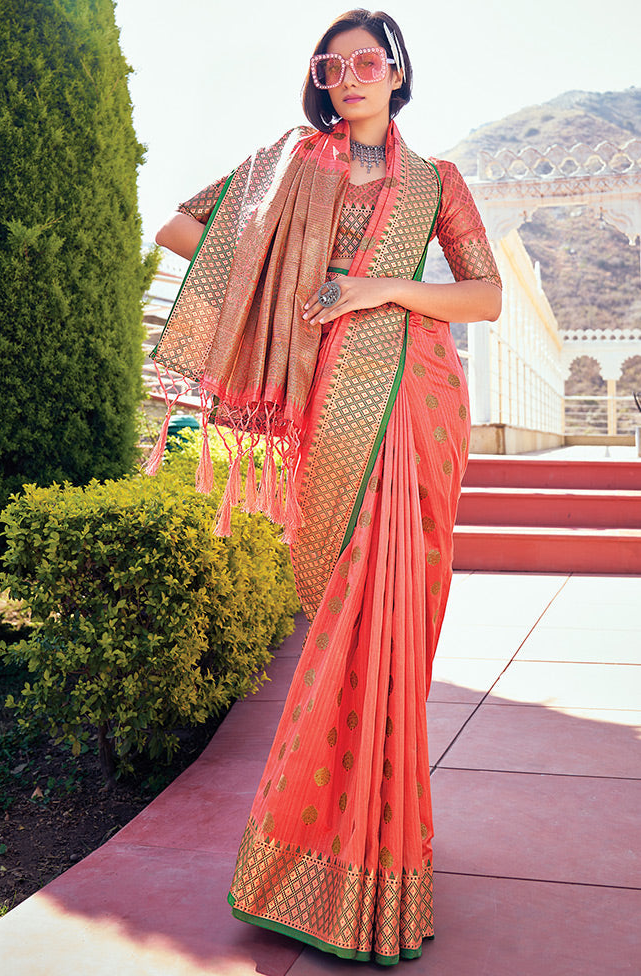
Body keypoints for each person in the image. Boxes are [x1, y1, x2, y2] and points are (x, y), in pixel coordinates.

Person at [152, 8, 501, 966]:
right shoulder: (286, 167)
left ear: (396, 73)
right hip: (332, 404)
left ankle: (383, 851)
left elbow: (485, 295)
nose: (347, 76)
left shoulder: (436, 183)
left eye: (365, 61)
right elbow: (182, 226)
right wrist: (287, 276)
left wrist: (383, 289)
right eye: (329, 63)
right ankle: (313, 854)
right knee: (345, 617)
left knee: (392, 626)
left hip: (418, 399)